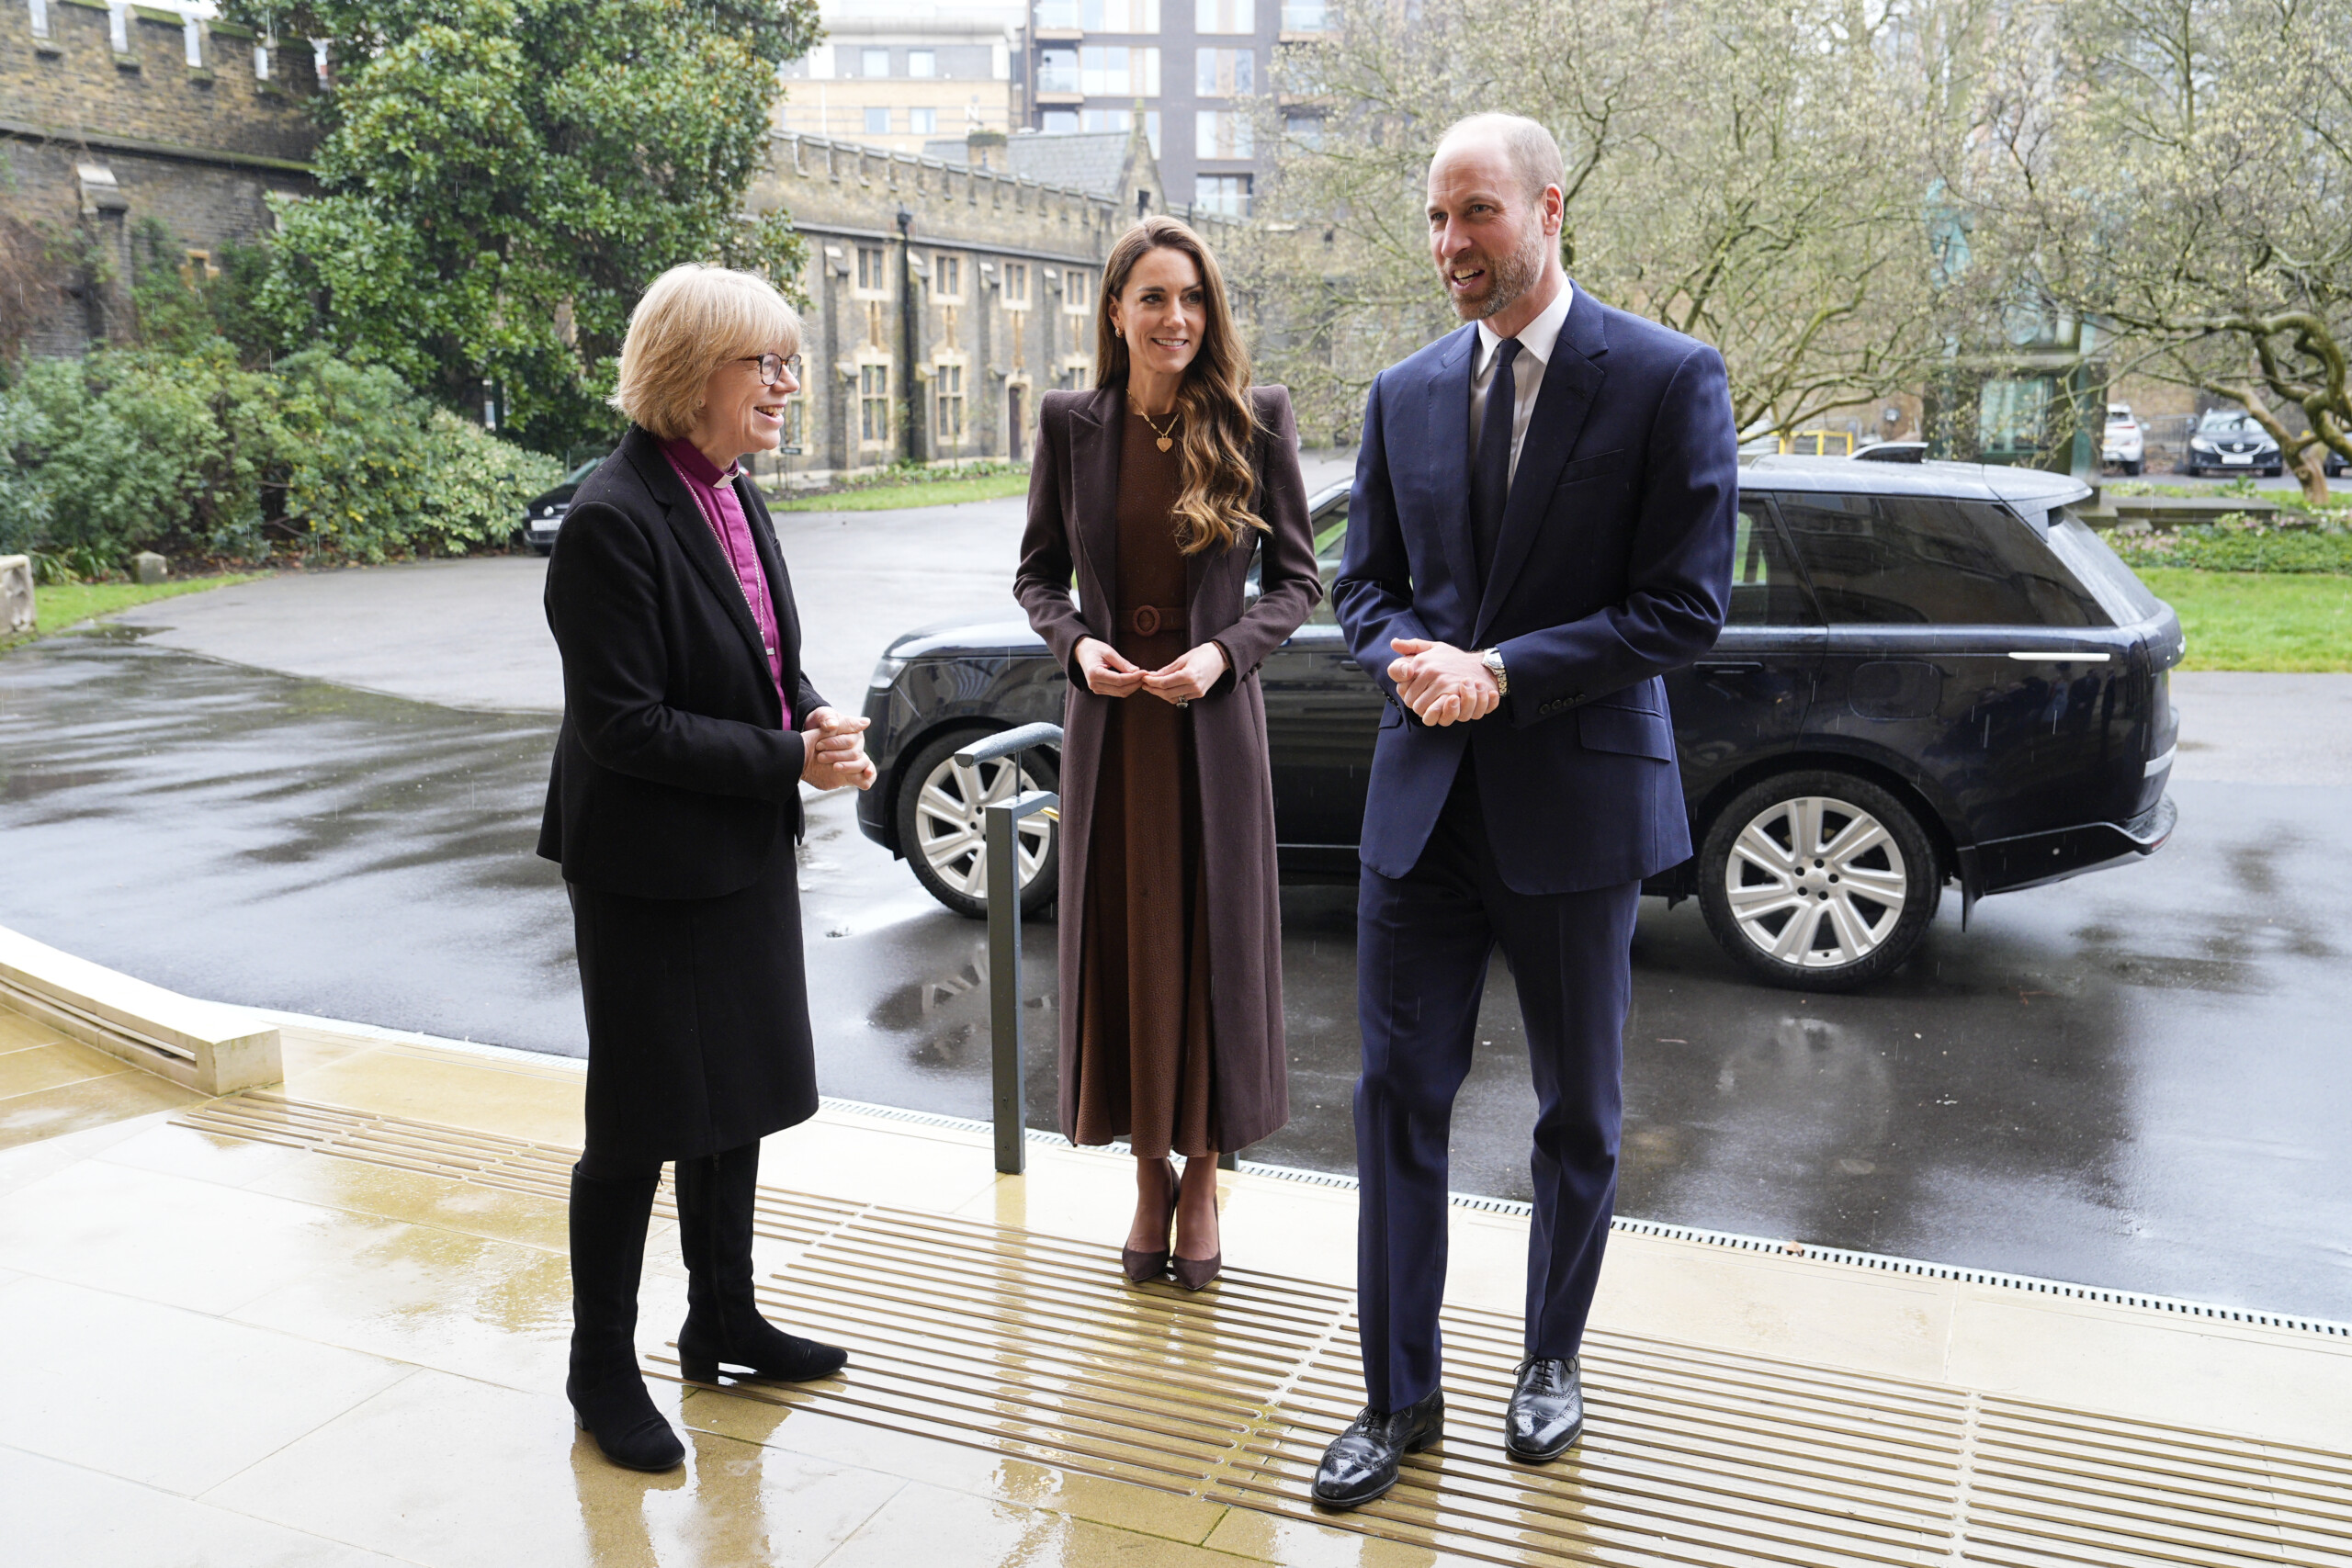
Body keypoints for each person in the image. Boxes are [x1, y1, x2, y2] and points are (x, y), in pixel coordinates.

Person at [1311, 114, 1737, 1508]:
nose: (1448, 247)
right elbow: (1360, 585)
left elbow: (1685, 609)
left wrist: (1501, 671)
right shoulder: (1404, 390)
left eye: (1475, 215)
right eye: (1434, 221)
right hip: (1419, 813)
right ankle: (1396, 1397)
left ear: (1550, 208)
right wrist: (1410, 663)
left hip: (1577, 809)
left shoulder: (1668, 378)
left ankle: (1551, 1357)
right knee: (1394, 1104)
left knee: (1579, 1112)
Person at [539, 263, 876, 1472]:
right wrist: (792, 755)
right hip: (642, 871)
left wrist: (818, 715)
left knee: (731, 1095)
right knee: (636, 1124)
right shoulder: (610, 520)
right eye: (765, 363)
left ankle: (720, 1315)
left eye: (788, 361)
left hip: (732, 848)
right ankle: (599, 1368)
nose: (785, 383)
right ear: (691, 375)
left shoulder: (734, 494)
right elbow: (625, 725)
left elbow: (768, 660)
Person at [1015, 216, 1320, 1292]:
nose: (1174, 318)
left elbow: (1297, 583)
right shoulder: (1069, 424)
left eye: (1190, 298)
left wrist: (1224, 657)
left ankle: (1201, 1177)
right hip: (1112, 733)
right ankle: (1145, 1173)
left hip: (1209, 735)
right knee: (1128, 952)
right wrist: (1078, 644)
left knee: (1208, 952)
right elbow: (1037, 576)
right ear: (1115, 312)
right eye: (1152, 297)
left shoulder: (1254, 418)